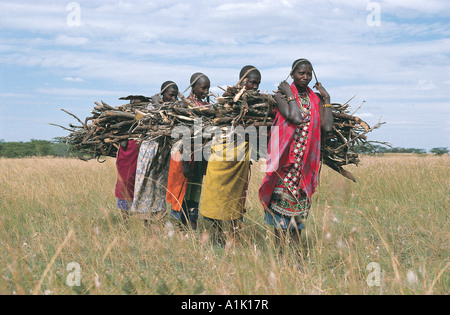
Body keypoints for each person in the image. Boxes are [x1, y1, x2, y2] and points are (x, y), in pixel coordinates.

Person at [259, 58, 333, 245]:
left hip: (304, 167)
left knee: (299, 218)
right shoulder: (280, 96)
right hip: (285, 165)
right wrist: (289, 94)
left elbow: (327, 126)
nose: (306, 77)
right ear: (292, 74)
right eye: (301, 73)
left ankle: (296, 256)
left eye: (309, 73)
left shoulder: (315, 99)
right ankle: (280, 256)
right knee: (279, 220)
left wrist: (327, 99)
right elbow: (295, 117)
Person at [200, 66, 262, 244]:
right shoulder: (228, 100)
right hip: (220, 157)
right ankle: (217, 235)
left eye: (258, 83)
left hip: (240, 158)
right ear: (242, 80)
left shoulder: (258, 102)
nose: (255, 87)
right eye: (252, 82)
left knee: (236, 198)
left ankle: (234, 236)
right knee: (216, 195)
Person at [130, 81, 179, 223]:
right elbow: (138, 120)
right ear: (162, 94)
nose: (173, 99)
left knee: (160, 186)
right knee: (145, 183)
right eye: (170, 95)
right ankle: (144, 220)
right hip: (149, 150)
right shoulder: (150, 107)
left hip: (164, 153)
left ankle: (158, 219)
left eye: (175, 96)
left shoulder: (175, 109)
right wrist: (156, 106)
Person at [166, 73, 210, 230]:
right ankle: (180, 226)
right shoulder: (184, 106)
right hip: (184, 155)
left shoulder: (205, 106)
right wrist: (185, 163)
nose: (206, 91)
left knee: (194, 189)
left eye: (208, 88)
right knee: (182, 189)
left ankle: (191, 223)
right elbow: (182, 134)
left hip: (198, 156)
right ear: (193, 87)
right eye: (203, 87)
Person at [115, 138, 139, 219]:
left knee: (127, 185)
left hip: (134, 148)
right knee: (125, 185)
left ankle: (127, 218)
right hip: (128, 149)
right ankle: (125, 219)